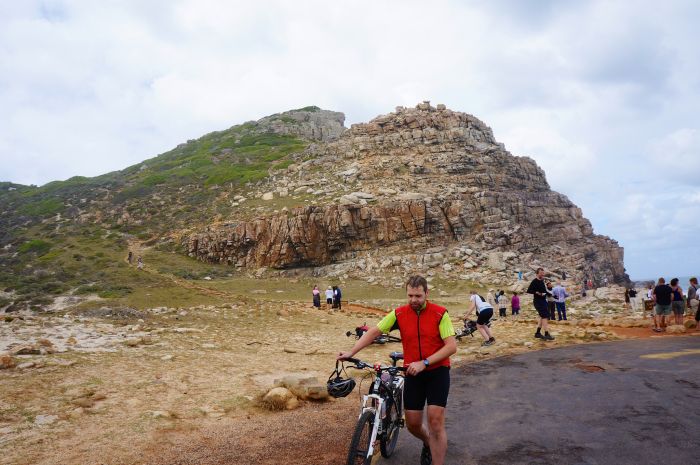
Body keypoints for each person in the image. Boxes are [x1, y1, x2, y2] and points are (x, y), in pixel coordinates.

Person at [337, 276, 457, 465]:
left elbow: (451, 347)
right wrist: (351, 351)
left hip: (437, 372)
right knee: (413, 424)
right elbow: (374, 332)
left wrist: (424, 363)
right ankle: (428, 442)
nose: (413, 300)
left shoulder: (440, 314)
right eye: (410, 295)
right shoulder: (399, 314)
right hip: (412, 373)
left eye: (418, 296)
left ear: (427, 293)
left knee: (435, 422)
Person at [527, 268, 554, 340]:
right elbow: (529, 290)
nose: (543, 274)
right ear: (537, 273)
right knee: (545, 316)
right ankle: (546, 333)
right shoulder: (534, 281)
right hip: (538, 302)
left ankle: (537, 333)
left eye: (543, 273)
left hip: (543, 301)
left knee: (542, 317)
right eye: (541, 273)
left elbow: (544, 291)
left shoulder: (542, 281)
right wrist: (537, 292)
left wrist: (551, 295)